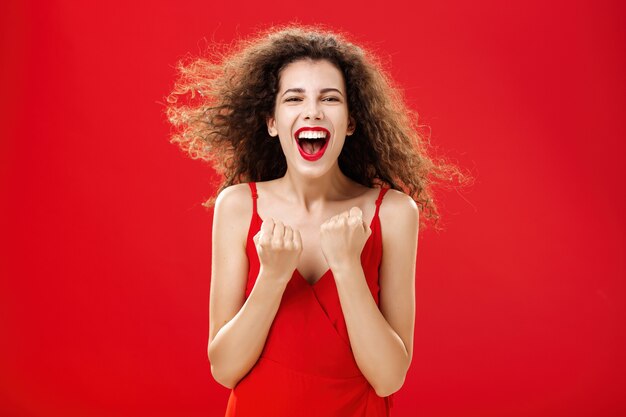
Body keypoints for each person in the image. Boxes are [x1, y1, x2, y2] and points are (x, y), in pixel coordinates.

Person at [167, 24, 466, 417]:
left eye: (330, 98)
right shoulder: (238, 206)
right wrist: (271, 278)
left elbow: (389, 378)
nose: (312, 110)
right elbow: (224, 369)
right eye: (294, 98)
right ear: (272, 122)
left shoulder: (393, 213)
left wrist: (347, 266)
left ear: (351, 122)